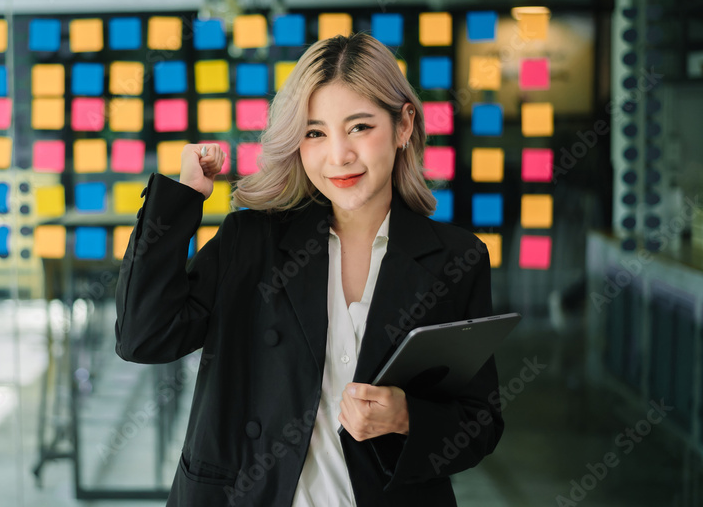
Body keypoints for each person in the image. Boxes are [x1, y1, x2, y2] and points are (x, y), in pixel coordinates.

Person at [115, 32, 503, 506]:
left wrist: (405, 417)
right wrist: (183, 200)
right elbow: (143, 336)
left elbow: (478, 425)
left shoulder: (457, 259)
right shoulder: (251, 242)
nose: (338, 155)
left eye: (360, 127)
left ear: (403, 126)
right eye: (315, 132)